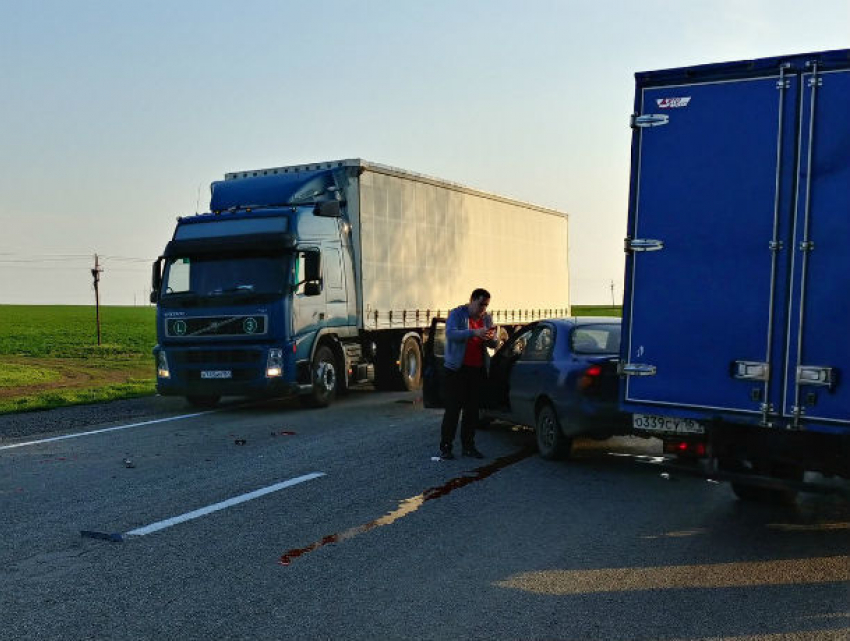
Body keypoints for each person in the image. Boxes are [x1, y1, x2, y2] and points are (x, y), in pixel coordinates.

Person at [439, 288, 498, 459]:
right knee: (453, 410)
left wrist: (490, 338)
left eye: (486, 305)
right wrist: (474, 332)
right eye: (481, 304)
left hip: (477, 369)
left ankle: (468, 446)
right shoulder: (457, 314)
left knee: (472, 411)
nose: (483, 309)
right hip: (457, 369)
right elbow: (451, 334)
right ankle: (446, 447)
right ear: (472, 300)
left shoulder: (486, 318)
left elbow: (494, 344)